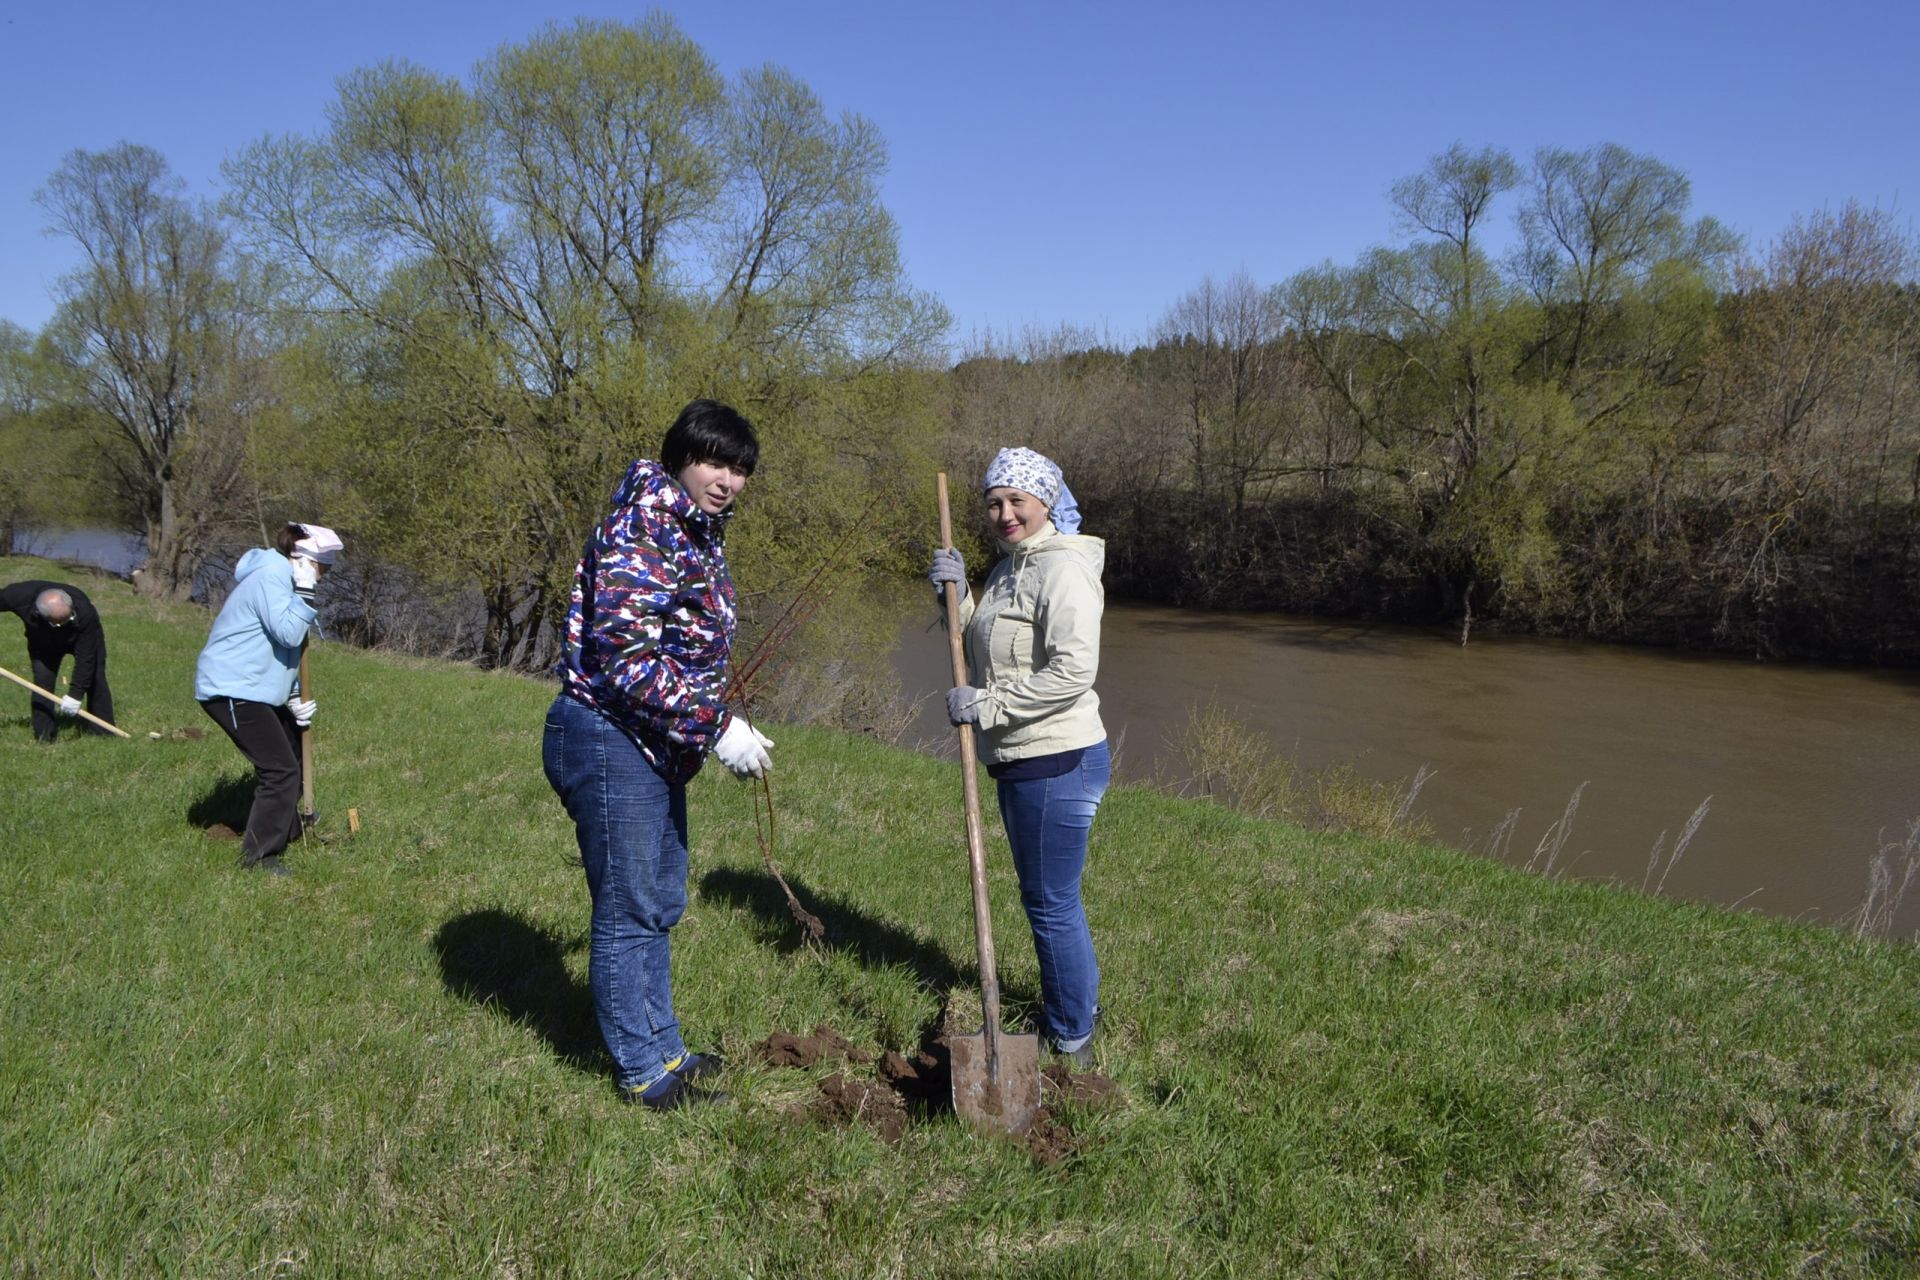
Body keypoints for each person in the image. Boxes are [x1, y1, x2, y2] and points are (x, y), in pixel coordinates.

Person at [542, 399, 775, 1111]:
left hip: (653, 742)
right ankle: (643, 1072)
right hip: (609, 735)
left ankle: (666, 1046)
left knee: (659, 900)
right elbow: (624, 659)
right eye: (714, 461)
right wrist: (715, 725)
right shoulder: (644, 525)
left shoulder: (695, 532)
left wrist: (702, 720)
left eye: (740, 469)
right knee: (630, 907)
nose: (727, 480)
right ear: (679, 457)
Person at [929, 446, 1110, 1068]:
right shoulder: (1012, 566)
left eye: (1017, 501)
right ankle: (1078, 1002)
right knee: (1050, 898)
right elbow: (990, 646)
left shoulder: (1063, 570)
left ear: (1046, 502)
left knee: (1050, 902)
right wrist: (958, 594)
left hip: (1056, 758)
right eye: (994, 503)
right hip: (1022, 759)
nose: (1004, 514)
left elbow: (1072, 672)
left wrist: (988, 707)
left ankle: (1072, 1036)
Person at [193, 522, 343, 875]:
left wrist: (292, 698)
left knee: (292, 749)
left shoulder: (284, 579)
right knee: (279, 769)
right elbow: (290, 634)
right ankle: (259, 857)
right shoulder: (271, 577)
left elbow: (281, 651)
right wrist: (305, 592)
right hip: (231, 687)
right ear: (305, 560)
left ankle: (290, 826)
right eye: (324, 568)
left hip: (257, 687)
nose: (324, 576)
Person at [1, 579, 116, 742]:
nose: (64, 623)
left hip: (81, 638)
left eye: (68, 618)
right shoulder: (19, 596)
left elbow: (86, 659)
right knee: (43, 684)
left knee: (96, 678)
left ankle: (103, 732)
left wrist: (75, 695)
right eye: (58, 623)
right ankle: (44, 735)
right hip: (42, 642)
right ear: (40, 614)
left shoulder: (83, 610)